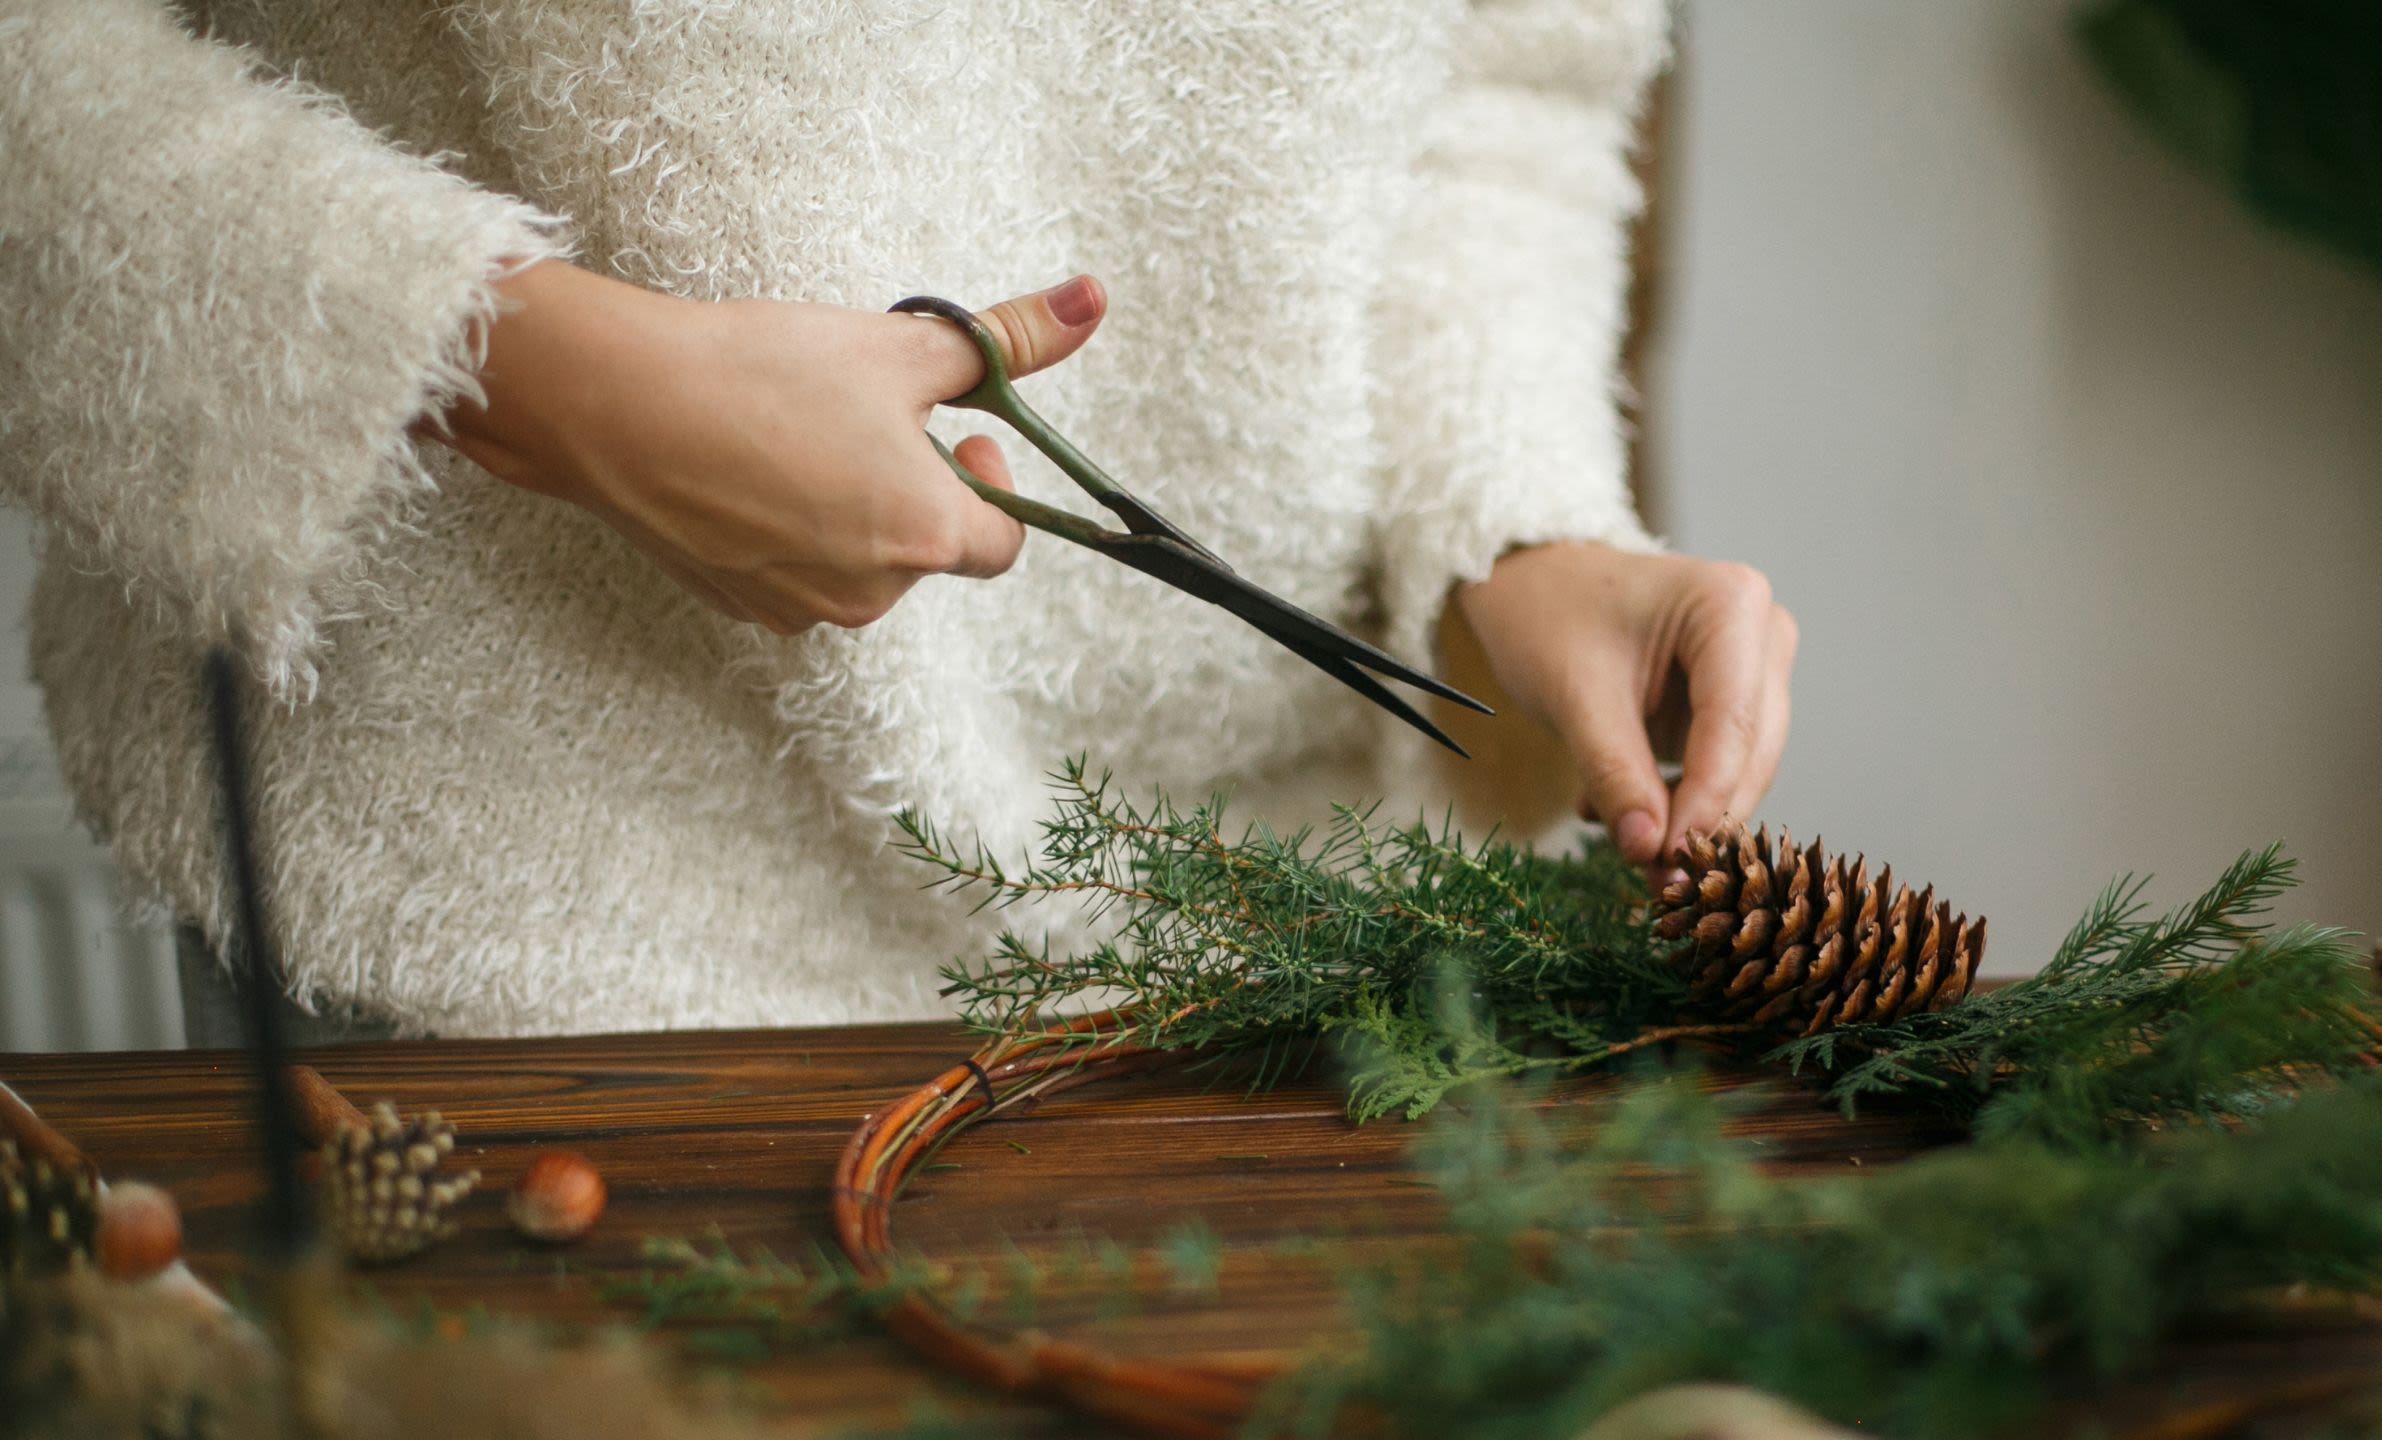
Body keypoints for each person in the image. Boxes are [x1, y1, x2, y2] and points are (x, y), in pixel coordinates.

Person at [0, 0, 1796, 1039]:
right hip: (519, 895)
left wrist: (1528, 525)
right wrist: (522, 367)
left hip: (1277, 935)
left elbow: (1502, 90)